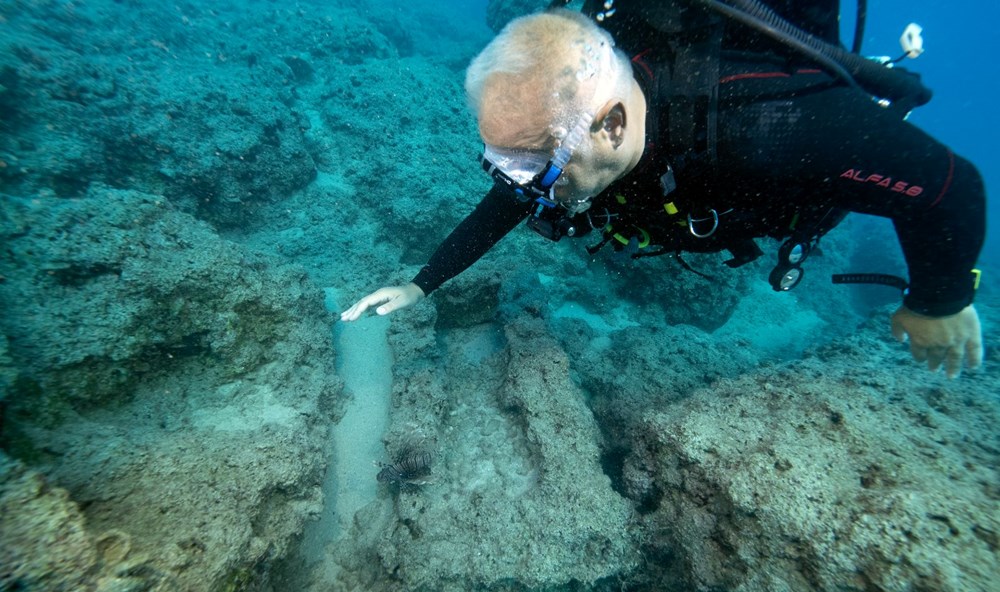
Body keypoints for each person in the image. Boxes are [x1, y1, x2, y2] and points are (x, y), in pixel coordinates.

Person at [341, 1, 985, 379]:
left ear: (612, 125)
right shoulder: (560, 138)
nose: (523, 192)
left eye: (533, 168)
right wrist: (425, 281)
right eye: (500, 164)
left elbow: (950, 187)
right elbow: (513, 197)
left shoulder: (768, 131)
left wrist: (940, 301)